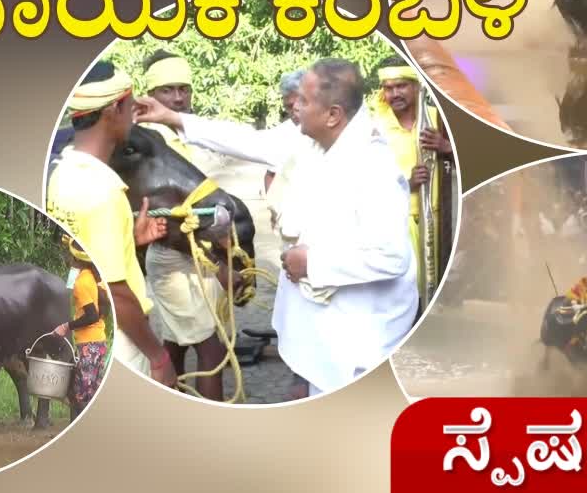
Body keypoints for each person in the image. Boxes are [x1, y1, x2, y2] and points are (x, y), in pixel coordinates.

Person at [135, 58, 418, 396]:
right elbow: (248, 141)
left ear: (333, 114)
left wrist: (311, 264)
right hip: (328, 335)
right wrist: (172, 117)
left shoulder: (373, 167)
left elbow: (390, 257)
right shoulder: (316, 139)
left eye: (304, 101)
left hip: (358, 343)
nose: (294, 107)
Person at [45, 61, 177, 387]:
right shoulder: (104, 191)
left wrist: (129, 240)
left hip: (93, 332)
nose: (133, 114)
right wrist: (158, 356)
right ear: (115, 108)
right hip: (123, 341)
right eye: (131, 105)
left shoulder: (61, 175)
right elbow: (116, 293)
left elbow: (79, 260)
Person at [133, 49, 229, 401]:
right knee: (211, 350)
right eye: (167, 90)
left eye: (183, 89)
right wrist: (218, 257)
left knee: (174, 344)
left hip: (200, 254)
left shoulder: (192, 135)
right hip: (173, 256)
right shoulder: (143, 146)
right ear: (151, 95)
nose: (177, 97)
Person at [370, 57, 453, 315]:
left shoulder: (438, 120)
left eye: (401, 86)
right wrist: (407, 184)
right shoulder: (373, 127)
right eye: (388, 87)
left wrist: (447, 148)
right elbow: (363, 182)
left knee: (436, 292)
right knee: (400, 297)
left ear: (416, 86)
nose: (394, 93)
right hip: (394, 223)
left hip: (438, 222)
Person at [52, 256, 109, 421]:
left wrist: (66, 326)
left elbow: (91, 316)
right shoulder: (96, 278)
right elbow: (100, 312)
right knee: (91, 392)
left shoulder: (82, 283)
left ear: (75, 258)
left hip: (88, 344)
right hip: (99, 342)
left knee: (80, 395)